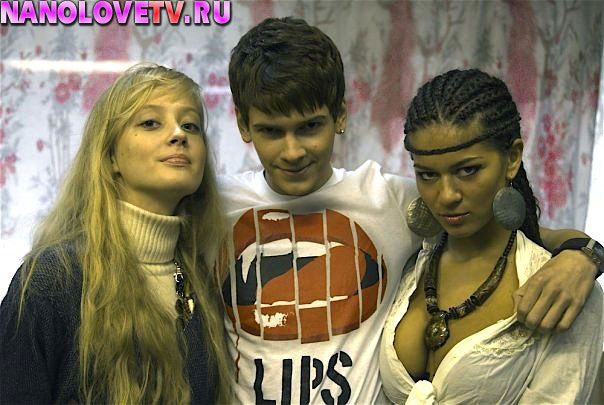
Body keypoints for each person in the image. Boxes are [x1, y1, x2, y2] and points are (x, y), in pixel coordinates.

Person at [221, 17, 601, 404]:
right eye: (271, 130)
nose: (292, 151)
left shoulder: (393, 201)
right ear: (243, 124)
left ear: (340, 115)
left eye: (309, 126)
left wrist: (585, 256)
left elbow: (525, 236)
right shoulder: (216, 207)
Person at [0, 64, 232, 403]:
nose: (179, 134)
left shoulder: (200, 279)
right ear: (110, 157)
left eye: (190, 125)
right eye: (150, 122)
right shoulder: (52, 278)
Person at [379, 68, 604, 404]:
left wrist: (587, 256)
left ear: (512, 158)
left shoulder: (563, 288)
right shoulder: (405, 255)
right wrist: (586, 251)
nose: (447, 195)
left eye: (468, 170)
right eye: (427, 175)